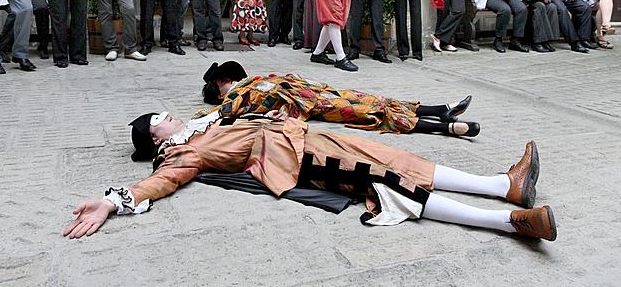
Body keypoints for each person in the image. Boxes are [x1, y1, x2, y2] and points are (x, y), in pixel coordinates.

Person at [63, 111, 555, 242]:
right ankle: (509, 222)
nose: (171, 116)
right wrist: (113, 200)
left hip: (305, 138)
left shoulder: (202, 126)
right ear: (157, 139)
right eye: (161, 119)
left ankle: (501, 186)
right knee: (389, 185)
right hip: (296, 160)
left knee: (397, 159)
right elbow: (160, 184)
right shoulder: (178, 156)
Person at [199, 60, 478, 137]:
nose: (227, 84)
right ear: (219, 87)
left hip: (318, 90)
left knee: (375, 99)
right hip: (313, 103)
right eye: (222, 84)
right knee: (371, 112)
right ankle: (446, 127)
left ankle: (440, 110)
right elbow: (222, 115)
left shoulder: (253, 80)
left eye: (225, 80)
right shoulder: (234, 97)